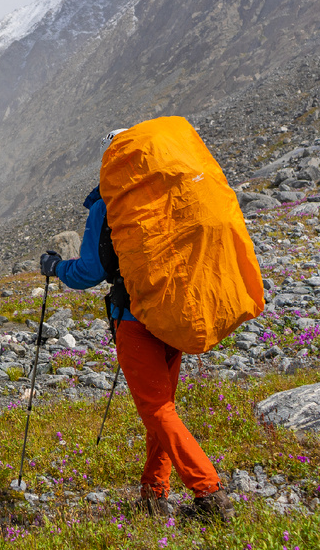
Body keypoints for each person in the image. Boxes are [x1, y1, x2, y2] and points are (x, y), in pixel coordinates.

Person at [38, 130, 235, 522]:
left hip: (135, 318)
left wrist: (55, 267)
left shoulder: (109, 205)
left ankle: (209, 494)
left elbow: (90, 272)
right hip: (177, 311)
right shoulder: (173, 190)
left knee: (157, 409)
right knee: (162, 410)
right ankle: (153, 494)